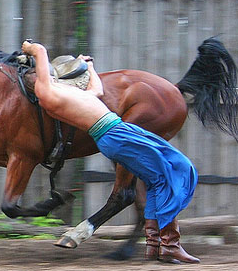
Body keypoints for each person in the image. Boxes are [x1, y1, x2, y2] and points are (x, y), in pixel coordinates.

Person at [21, 41, 199, 264]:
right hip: (116, 134)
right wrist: (30, 48)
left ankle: (155, 245)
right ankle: (170, 245)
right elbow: (40, 52)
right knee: (178, 170)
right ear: (42, 83)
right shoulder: (48, 94)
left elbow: (98, 90)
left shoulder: (69, 95)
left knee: (156, 178)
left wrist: (90, 67)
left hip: (117, 133)